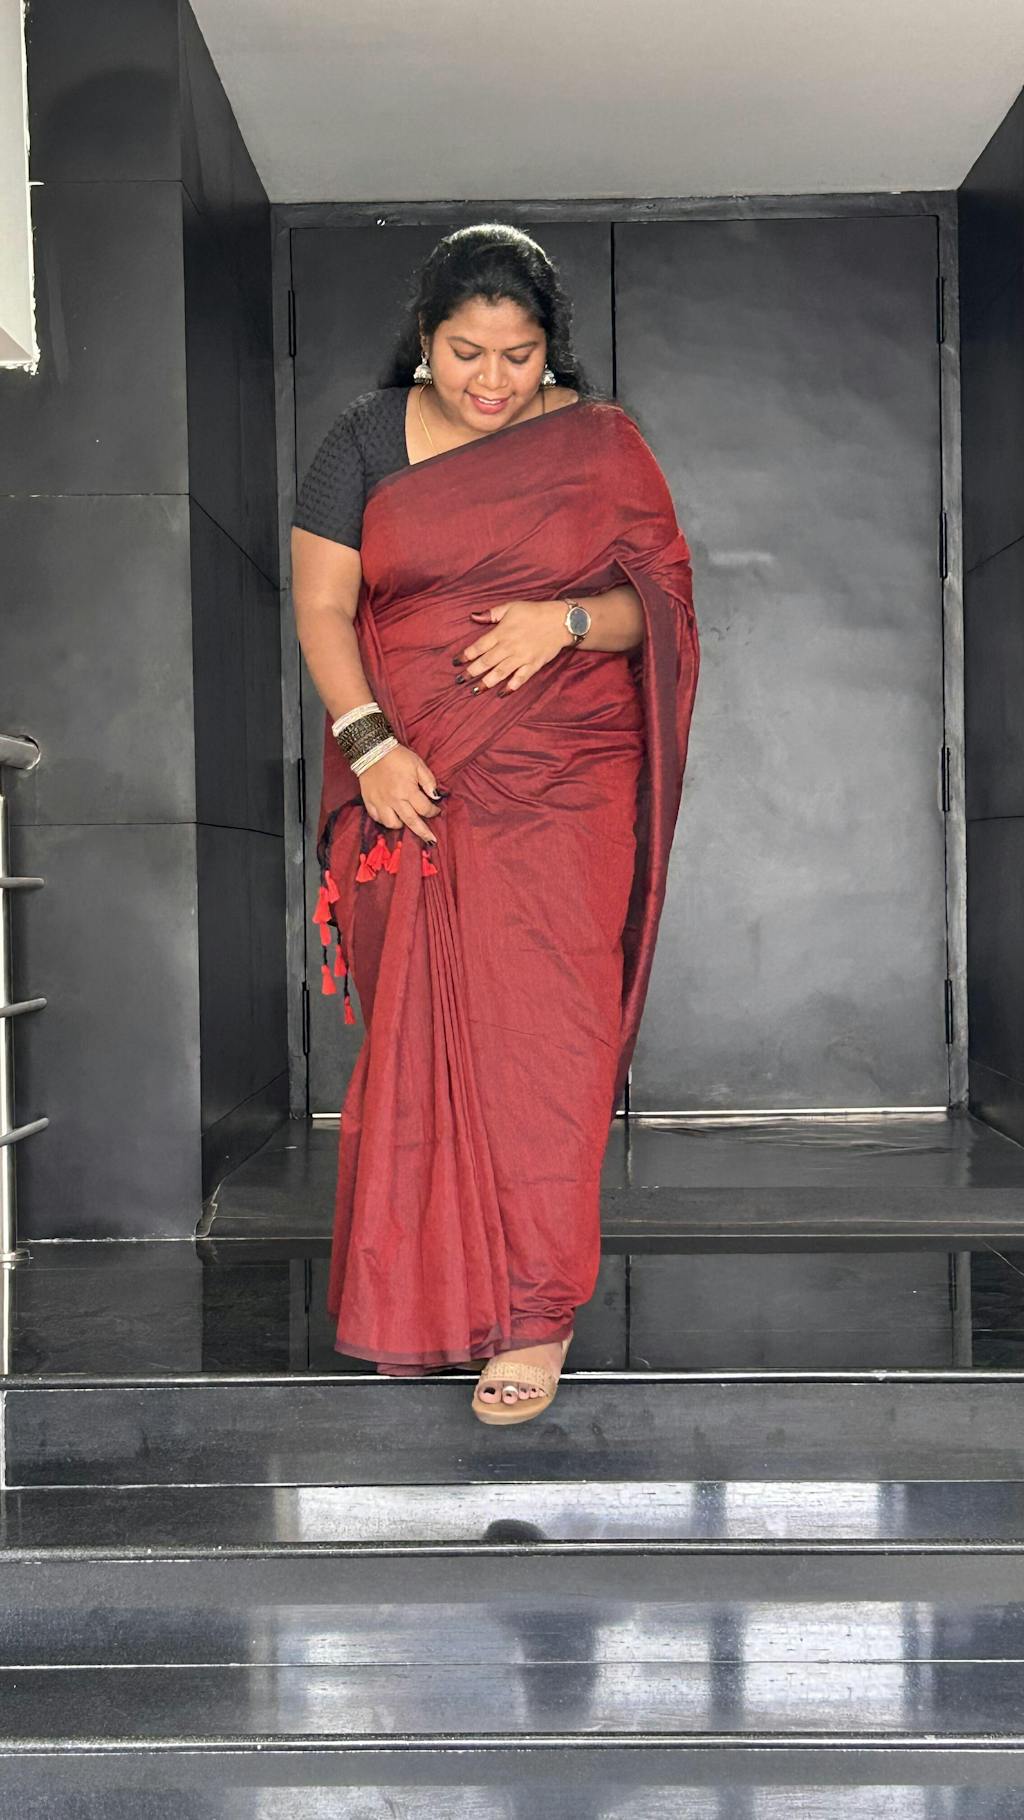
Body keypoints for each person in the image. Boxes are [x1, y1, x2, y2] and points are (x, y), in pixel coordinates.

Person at [290, 223, 699, 1426]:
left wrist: (560, 621)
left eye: (517, 356)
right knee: (421, 1039)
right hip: (407, 781)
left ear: (547, 349)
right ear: (424, 341)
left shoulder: (599, 443)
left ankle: (533, 1312)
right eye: (466, 352)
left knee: (543, 1044)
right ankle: (431, 1297)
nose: (491, 379)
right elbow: (322, 607)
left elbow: (660, 607)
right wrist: (370, 744)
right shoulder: (363, 440)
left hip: (564, 784)